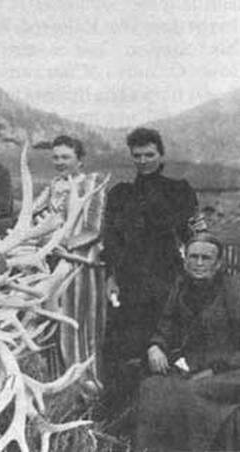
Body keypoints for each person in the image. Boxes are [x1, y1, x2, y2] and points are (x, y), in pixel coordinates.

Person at [101, 127, 199, 417]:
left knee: (162, 345)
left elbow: (194, 233)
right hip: (129, 283)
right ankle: (122, 417)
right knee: (123, 348)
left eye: (149, 154)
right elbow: (112, 241)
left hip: (165, 279)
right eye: (137, 155)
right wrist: (111, 277)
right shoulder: (121, 194)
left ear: (161, 154)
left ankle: (162, 416)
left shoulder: (178, 190)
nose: (143, 160)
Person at [134, 233, 240, 451]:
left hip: (231, 371)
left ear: (219, 263)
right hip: (195, 368)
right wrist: (156, 346)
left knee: (192, 393)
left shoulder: (233, 291)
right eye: (193, 257)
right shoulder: (181, 288)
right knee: (151, 387)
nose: (199, 263)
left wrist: (216, 368)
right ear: (185, 260)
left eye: (206, 258)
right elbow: (165, 326)